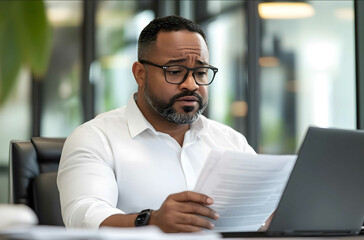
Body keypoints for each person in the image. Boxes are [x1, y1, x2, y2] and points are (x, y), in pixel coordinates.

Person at [57, 15, 256, 233]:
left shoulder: (231, 142)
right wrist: (152, 221)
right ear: (140, 74)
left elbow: (264, 210)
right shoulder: (96, 138)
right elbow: (84, 216)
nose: (191, 84)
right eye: (175, 72)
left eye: (200, 73)